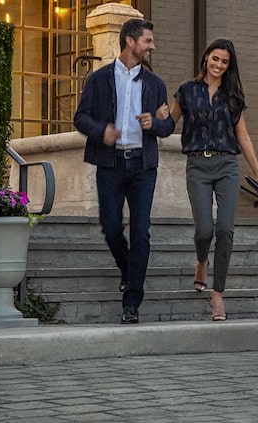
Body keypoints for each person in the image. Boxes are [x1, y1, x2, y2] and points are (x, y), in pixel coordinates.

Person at [74, 19, 174, 325]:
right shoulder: (99, 79)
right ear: (130, 42)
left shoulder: (155, 84)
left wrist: (154, 125)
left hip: (143, 166)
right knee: (112, 227)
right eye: (147, 41)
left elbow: (168, 125)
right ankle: (128, 270)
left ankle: (132, 302)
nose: (151, 46)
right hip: (111, 164)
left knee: (141, 231)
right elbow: (80, 118)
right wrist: (101, 130)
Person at [166, 38, 258, 321]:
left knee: (225, 229)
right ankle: (201, 261)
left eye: (224, 62)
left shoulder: (232, 96)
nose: (219, 65)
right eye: (215, 59)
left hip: (227, 165)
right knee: (203, 230)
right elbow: (168, 125)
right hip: (197, 165)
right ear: (206, 57)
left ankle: (218, 295)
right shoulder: (187, 91)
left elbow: (243, 137)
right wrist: (157, 118)